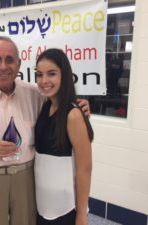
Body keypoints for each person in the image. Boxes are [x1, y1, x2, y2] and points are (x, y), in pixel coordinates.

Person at [0, 36, 90, 225]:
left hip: (27, 179)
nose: (3, 66)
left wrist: (80, 105)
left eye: (9, 59)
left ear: (18, 63)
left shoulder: (33, 94)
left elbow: (58, 103)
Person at [34, 48, 93, 225]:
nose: (44, 81)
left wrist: (82, 214)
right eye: (39, 74)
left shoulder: (73, 115)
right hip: (42, 202)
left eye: (51, 74)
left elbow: (85, 168)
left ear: (64, 75)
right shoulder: (45, 106)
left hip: (64, 207)